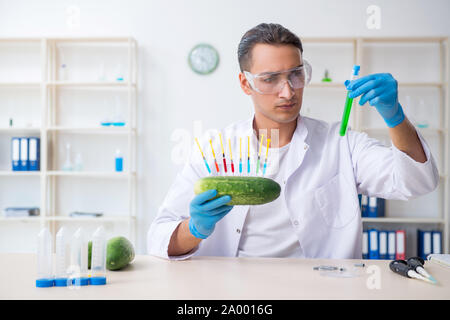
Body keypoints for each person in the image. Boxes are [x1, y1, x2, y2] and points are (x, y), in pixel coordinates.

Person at [147, 23, 439, 260]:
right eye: (271, 78)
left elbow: (417, 182)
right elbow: (159, 238)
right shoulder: (214, 150)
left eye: (296, 75)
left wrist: (395, 116)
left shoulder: (341, 143)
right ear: (245, 83)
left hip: (321, 290)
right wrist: (194, 229)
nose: (287, 92)